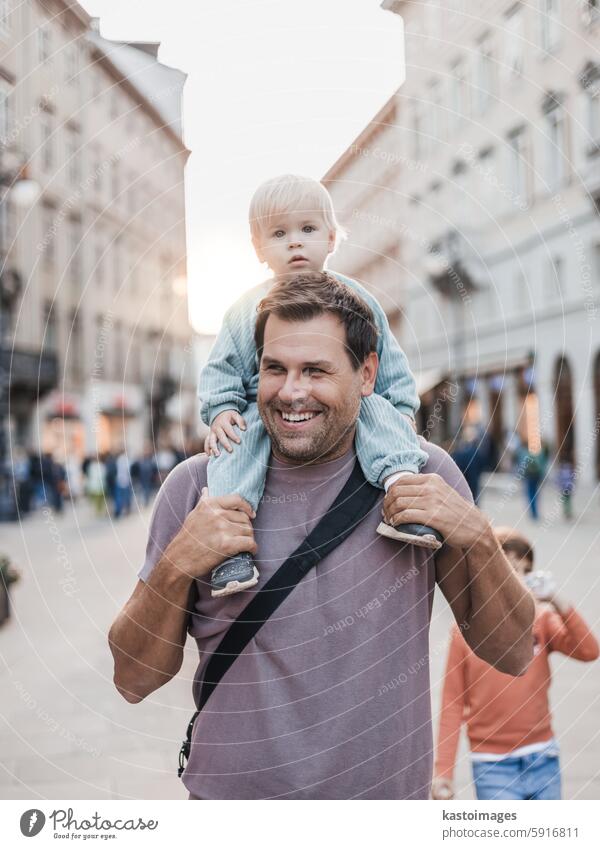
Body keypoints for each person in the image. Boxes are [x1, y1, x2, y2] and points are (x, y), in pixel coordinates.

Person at [108, 274, 534, 800]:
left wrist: (479, 538)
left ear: (367, 374)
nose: (291, 392)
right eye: (275, 369)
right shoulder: (199, 485)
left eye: (315, 370)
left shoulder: (424, 478)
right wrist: (177, 564)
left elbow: (513, 653)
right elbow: (132, 678)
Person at [200, 174, 441, 598]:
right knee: (235, 446)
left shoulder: (357, 299)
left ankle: (404, 495)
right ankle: (232, 546)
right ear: (258, 248)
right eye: (279, 233)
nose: (294, 242)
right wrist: (221, 409)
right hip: (267, 407)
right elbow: (222, 367)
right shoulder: (244, 309)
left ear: (331, 238)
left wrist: (400, 410)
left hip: (352, 401)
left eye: (307, 229)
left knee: (379, 418)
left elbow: (387, 362)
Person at [432, 525, 599, 802]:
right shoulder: (463, 633)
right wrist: (443, 772)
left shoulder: (542, 622)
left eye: (523, 571)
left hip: (543, 757)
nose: (517, 581)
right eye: (507, 571)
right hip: (492, 765)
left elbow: (589, 651)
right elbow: (452, 703)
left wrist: (557, 600)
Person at [114, 450, 132, 519]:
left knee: (119, 497)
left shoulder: (119, 460)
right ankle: (127, 510)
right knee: (126, 497)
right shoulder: (127, 460)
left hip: (119, 480)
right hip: (126, 481)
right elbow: (128, 471)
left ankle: (119, 510)